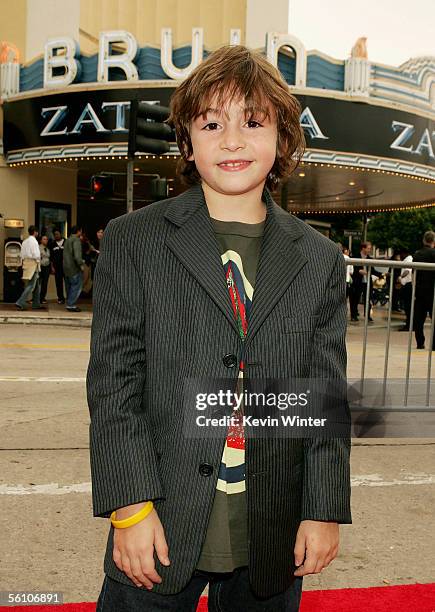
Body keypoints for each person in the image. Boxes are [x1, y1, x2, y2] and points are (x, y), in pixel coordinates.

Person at [87, 45, 352, 612]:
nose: (232, 140)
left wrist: (323, 508)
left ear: (282, 139)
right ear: (187, 141)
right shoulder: (135, 240)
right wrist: (130, 508)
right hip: (157, 524)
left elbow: (324, 397)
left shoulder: (319, 259)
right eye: (212, 123)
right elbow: (114, 384)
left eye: (252, 122)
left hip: (272, 531)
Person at [412, 231, 435, 349]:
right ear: (433, 241)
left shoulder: (417, 254)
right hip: (432, 291)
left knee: (419, 320)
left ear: (424, 240)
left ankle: (420, 343)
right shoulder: (434, 254)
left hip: (420, 291)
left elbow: (413, 273)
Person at [350, 241, 381, 322]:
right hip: (358, 282)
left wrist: (382, 274)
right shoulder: (355, 257)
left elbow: (373, 271)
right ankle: (353, 315)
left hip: (367, 282)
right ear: (363, 248)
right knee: (355, 299)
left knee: (368, 299)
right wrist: (358, 271)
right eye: (368, 248)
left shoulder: (369, 259)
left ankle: (367, 316)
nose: (369, 250)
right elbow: (352, 269)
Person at [15, 225, 45, 311]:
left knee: (36, 285)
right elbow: (36, 255)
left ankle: (36, 303)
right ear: (35, 232)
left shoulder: (24, 241)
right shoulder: (34, 242)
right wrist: (40, 258)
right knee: (31, 285)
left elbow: (21, 255)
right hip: (33, 264)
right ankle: (20, 302)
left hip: (26, 264)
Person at [63, 225, 84, 312]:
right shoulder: (76, 240)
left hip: (66, 267)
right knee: (76, 286)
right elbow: (77, 256)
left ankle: (69, 303)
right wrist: (81, 264)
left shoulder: (67, 240)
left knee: (69, 287)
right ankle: (71, 305)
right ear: (79, 231)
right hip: (74, 268)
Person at [398, 248, 413, 332]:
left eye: (400, 254)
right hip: (406, 285)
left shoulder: (409, 259)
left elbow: (407, 271)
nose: (400, 256)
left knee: (408, 307)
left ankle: (409, 325)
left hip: (408, 286)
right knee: (407, 307)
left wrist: (400, 277)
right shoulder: (407, 259)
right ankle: (409, 324)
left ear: (404, 253)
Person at [49, 229, 66, 304]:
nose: (56, 235)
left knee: (68, 283)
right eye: (55, 234)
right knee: (58, 283)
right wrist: (52, 267)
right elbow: (51, 257)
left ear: (61, 234)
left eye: (57, 234)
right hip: (57, 267)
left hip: (65, 266)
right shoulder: (52, 244)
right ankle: (60, 298)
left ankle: (69, 298)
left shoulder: (66, 242)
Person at [39, 235, 51, 304]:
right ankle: (37, 298)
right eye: (44, 239)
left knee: (45, 283)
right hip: (41, 267)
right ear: (41, 240)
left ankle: (42, 298)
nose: (46, 240)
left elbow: (48, 257)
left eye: (46, 239)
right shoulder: (38, 247)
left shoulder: (48, 248)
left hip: (47, 267)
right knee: (38, 283)